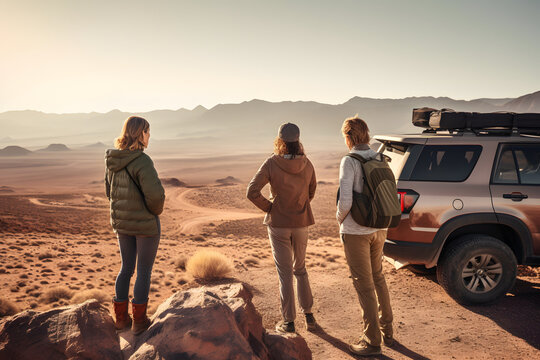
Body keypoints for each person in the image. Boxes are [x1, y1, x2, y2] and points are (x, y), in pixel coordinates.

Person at [247, 123, 317, 333]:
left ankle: (288, 321)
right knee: (301, 269)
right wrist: (300, 206)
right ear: (298, 141)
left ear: (280, 141)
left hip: (278, 225)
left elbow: (252, 192)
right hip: (301, 223)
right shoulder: (307, 163)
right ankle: (309, 316)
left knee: (285, 273)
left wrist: (271, 208)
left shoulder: (271, 163)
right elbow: (312, 191)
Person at [336, 116, 394, 356]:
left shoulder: (349, 161)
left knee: (364, 284)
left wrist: (339, 219)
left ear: (349, 137)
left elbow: (346, 201)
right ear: (367, 135)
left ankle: (372, 341)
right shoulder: (380, 156)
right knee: (378, 277)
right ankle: (387, 330)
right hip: (380, 227)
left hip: (356, 231)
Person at [105, 116, 165, 335]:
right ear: (141, 134)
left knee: (126, 268)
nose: (150, 137)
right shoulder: (143, 161)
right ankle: (139, 323)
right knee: (144, 272)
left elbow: (109, 192)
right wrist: (153, 210)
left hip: (122, 224)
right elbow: (156, 198)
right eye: (148, 132)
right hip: (145, 226)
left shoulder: (112, 159)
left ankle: (121, 319)